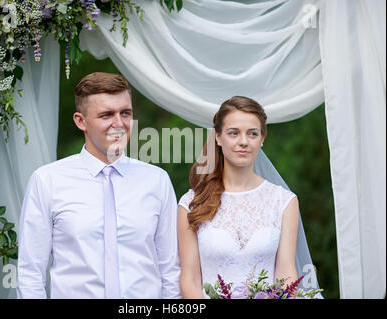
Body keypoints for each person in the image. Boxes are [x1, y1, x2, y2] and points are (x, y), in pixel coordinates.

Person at [17, 72, 181, 299]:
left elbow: (170, 269)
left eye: (125, 113)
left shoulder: (157, 180)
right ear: (80, 121)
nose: (119, 123)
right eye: (106, 115)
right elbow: (30, 274)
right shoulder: (47, 181)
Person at [177, 96, 300, 298]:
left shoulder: (284, 201)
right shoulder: (190, 204)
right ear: (218, 137)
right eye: (233, 133)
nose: (243, 141)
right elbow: (190, 278)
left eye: (252, 133)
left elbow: (286, 273)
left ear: (262, 139)